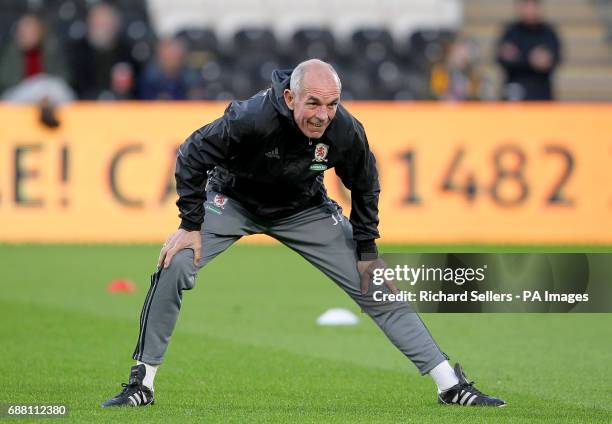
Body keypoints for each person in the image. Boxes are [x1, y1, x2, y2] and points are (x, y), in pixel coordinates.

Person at [101, 59, 506, 408]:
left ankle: (450, 386)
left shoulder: (345, 130)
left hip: (303, 209)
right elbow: (192, 153)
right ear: (291, 98)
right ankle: (142, 383)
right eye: (312, 103)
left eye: (331, 104)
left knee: (377, 283)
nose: (322, 115)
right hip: (233, 201)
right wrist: (190, 226)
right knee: (175, 264)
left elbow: (365, 184)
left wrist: (366, 250)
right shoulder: (251, 117)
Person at [67, 2, 136, 99]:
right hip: (84, 105)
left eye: (106, 21)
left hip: (120, 106)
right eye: (98, 21)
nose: (102, 26)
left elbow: (133, 86)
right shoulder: (77, 51)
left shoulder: (125, 51)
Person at [496, 0, 562, 101]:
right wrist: (531, 60)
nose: (529, 10)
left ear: (539, 7)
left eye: (532, 5)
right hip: (514, 93)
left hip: (541, 94)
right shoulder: (511, 32)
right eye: (525, 5)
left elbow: (556, 58)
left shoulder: (548, 33)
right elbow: (501, 57)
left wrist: (519, 57)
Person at [0, 13, 69, 95]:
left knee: (59, 90)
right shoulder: (9, 53)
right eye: (25, 31)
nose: (29, 34)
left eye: (32, 31)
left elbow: (64, 77)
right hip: (16, 95)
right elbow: (5, 81)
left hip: (47, 94)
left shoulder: (50, 52)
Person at [139, 37, 203, 100]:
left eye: (174, 54)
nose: (171, 58)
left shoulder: (191, 77)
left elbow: (196, 100)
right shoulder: (150, 77)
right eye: (168, 55)